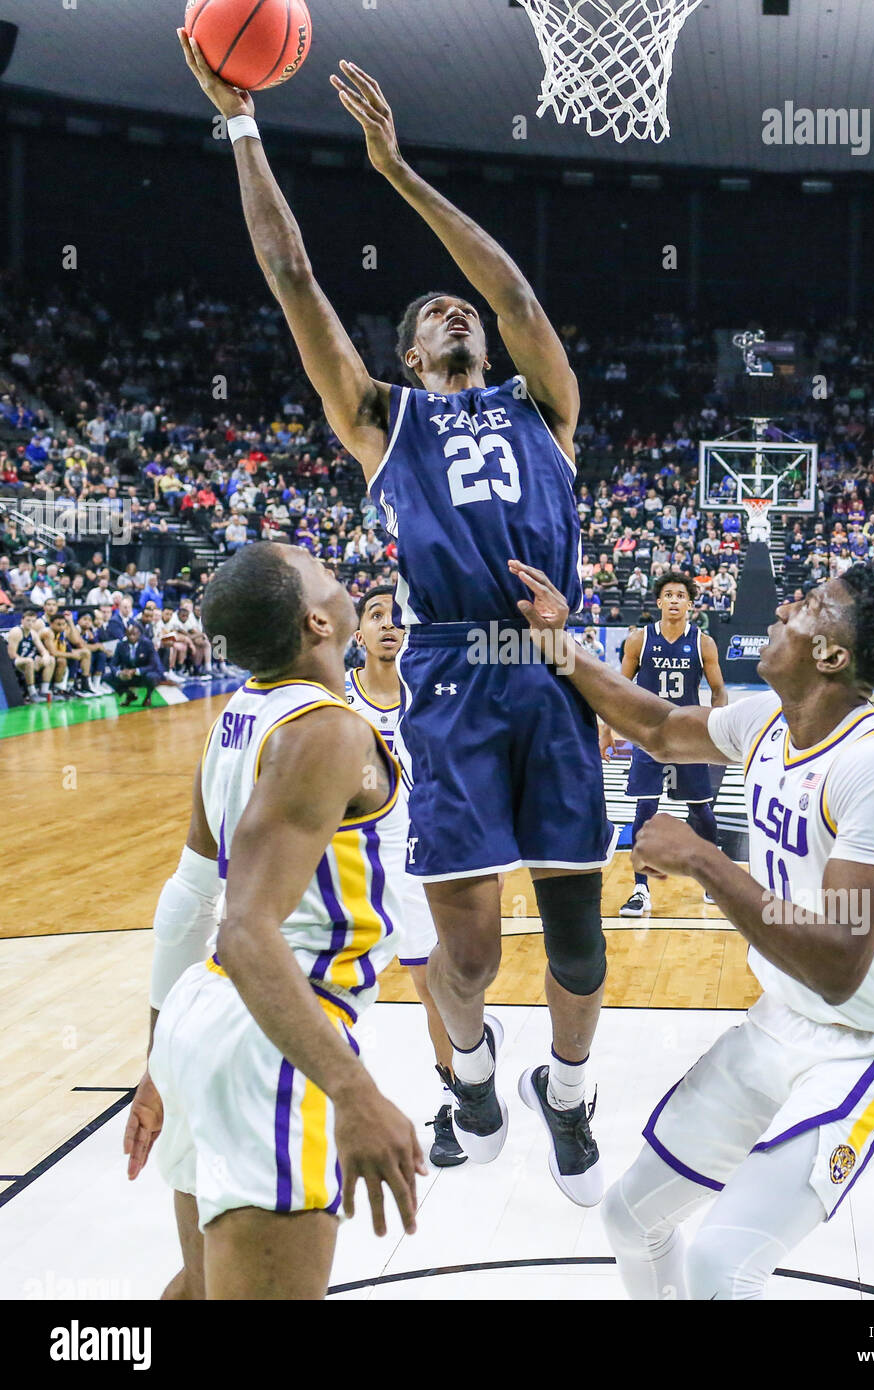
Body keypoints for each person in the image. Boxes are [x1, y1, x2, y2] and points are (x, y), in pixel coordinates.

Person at [179, 32, 614, 1205]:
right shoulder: (384, 423)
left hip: (552, 667)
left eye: (461, 309)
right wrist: (243, 125)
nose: (456, 312)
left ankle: (567, 1095)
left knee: (579, 944)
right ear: (408, 357)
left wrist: (397, 171)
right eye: (431, 315)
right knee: (464, 950)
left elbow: (514, 291)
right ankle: (471, 1076)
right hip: (454, 682)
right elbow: (293, 279)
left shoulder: (547, 409)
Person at [508, 557, 874, 1300]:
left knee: (720, 1264)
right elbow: (656, 724)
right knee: (629, 1217)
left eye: (809, 605)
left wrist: (707, 863)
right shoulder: (769, 721)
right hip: (780, 1023)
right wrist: (563, 645)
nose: (783, 609)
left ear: (831, 655)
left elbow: (841, 962)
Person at [122, 542, 424, 1300]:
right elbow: (245, 928)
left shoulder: (241, 714)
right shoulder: (326, 731)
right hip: (277, 1040)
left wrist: (159, 1064)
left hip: (205, 1024)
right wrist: (356, 1094)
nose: (338, 571)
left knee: (198, 1289)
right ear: (318, 621)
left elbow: (186, 903)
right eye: (322, 570)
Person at [343, 584, 465, 1168]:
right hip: (351, 862)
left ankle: (458, 1102)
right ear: (358, 635)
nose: (388, 624)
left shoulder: (431, 693)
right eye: (375, 616)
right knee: (324, 987)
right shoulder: (336, 701)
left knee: (431, 988)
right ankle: (305, 1102)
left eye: (396, 617)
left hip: (418, 859)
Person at [603, 573, 727, 915]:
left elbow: (718, 690)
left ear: (690, 603)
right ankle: (641, 890)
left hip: (687, 737)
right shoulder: (639, 640)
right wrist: (605, 730)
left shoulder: (703, 642)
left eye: (680, 595)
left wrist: (721, 730)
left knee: (701, 809)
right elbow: (616, 688)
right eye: (668, 595)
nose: (674, 600)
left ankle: (713, 880)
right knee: (645, 808)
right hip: (648, 735)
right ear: (659, 602)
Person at [110, 621, 166, 707]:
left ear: (139, 634)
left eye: (134, 634)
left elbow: (153, 665)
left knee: (151, 676)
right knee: (107, 677)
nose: (131, 637)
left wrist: (136, 671)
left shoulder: (147, 644)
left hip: (145, 673)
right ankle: (130, 695)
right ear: (126, 634)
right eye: (129, 634)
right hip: (129, 674)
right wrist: (119, 673)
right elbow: (113, 664)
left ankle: (148, 696)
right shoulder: (121, 645)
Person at [7, 611, 53, 702]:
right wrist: (28, 660)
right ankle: (32, 693)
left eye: (33, 621)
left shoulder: (33, 633)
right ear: (22, 620)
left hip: (28, 662)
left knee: (51, 659)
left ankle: (44, 690)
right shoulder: (16, 631)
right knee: (29, 661)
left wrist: (45, 656)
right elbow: (11, 654)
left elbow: (42, 649)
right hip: (14, 662)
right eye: (28, 620)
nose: (30, 623)